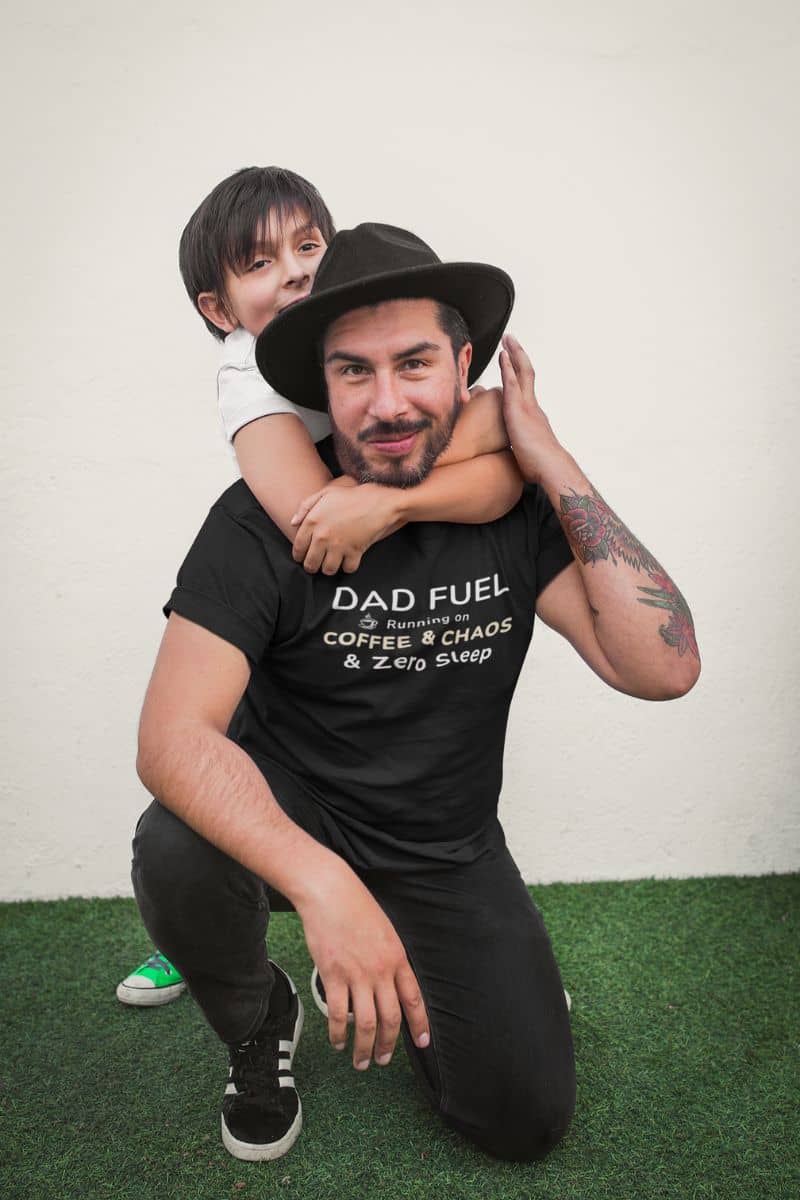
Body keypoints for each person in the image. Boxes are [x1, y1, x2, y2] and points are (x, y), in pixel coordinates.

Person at [131, 223, 700, 1164]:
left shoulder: (512, 510)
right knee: (174, 841)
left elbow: (662, 667)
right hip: (298, 818)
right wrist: (324, 887)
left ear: (466, 366)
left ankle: (423, 962)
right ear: (321, 385)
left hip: (445, 847)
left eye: (415, 364)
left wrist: (549, 457)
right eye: (354, 372)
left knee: (521, 1121)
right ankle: (259, 1016)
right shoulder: (261, 522)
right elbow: (169, 739)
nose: (387, 402)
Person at [117, 168, 522, 1005]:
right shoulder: (249, 378)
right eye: (260, 262)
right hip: (291, 683)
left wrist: (385, 503)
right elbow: (310, 520)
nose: (297, 270)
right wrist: (385, 491)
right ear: (218, 309)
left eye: (310, 246)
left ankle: (473, 951)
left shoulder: (371, 346)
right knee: (206, 827)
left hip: (390, 743)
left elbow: (503, 470)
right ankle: (215, 948)